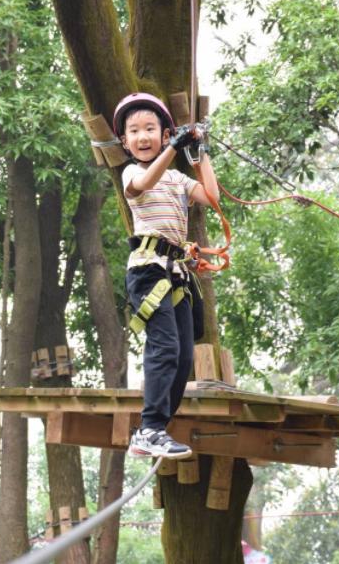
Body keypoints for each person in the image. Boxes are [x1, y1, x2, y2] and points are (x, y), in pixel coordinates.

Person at [112, 92, 219, 460]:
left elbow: (211, 196)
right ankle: (151, 428)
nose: (143, 137)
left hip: (175, 275)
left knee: (184, 356)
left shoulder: (175, 179)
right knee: (166, 347)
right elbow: (144, 185)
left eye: (150, 129)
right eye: (135, 131)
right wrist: (173, 146)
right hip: (147, 271)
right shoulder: (132, 173)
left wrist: (198, 151)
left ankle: (156, 429)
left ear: (163, 132)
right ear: (125, 142)